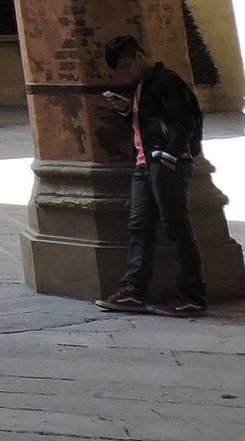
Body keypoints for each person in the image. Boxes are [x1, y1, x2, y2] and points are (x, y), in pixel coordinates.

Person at [95, 34, 207, 317]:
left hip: (164, 163)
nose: (124, 73)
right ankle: (133, 290)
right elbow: (148, 124)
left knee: (177, 228)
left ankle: (192, 295)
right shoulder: (141, 86)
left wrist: (171, 156)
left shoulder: (167, 81)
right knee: (139, 225)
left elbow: (187, 120)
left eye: (124, 67)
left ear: (137, 56)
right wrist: (126, 112)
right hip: (144, 165)